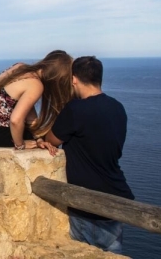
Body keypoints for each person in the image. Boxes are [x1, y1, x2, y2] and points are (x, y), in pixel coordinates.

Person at [45, 56, 134, 254]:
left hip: (87, 201)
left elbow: (51, 140)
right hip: (116, 196)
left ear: (74, 79)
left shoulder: (76, 109)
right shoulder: (117, 107)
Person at [0, 50, 72, 152]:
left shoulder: (20, 67)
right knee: (48, 142)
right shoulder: (36, 85)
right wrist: (20, 145)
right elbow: (15, 120)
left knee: (41, 139)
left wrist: (38, 138)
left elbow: (29, 115)